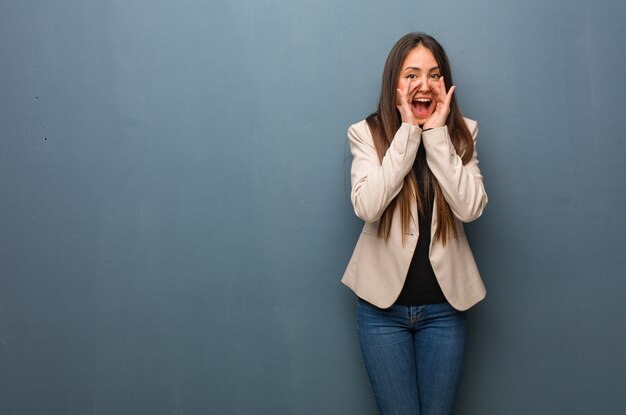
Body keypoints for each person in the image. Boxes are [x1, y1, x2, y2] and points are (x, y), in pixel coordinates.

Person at [342, 32, 488, 415]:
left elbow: (471, 208)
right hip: (381, 313)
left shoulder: (462, 134)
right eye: (411, 75)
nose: (424, 84)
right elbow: (368, 206)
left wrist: (437, 137)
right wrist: (408, 134)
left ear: (445, 84)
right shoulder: (366, 133)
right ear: (394, 85)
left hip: (445, 312)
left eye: (434, 74)